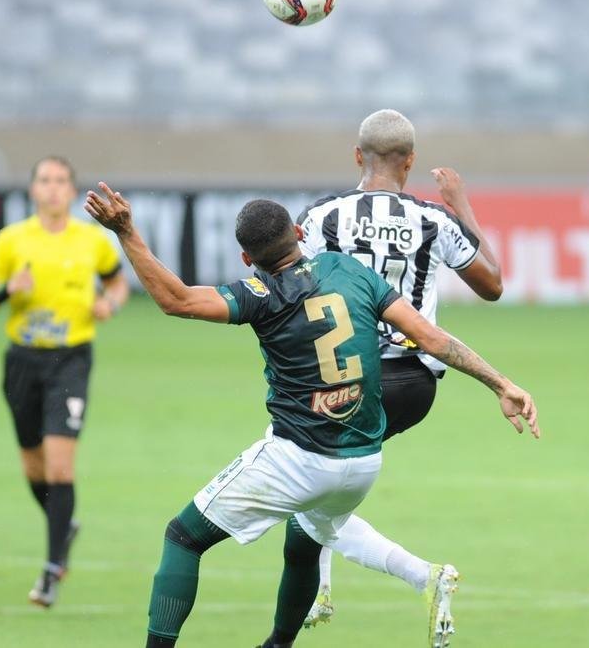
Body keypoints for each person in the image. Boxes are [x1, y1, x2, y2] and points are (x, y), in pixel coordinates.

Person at [83, 185, 538, 648]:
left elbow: (175, 299)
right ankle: (278, 644)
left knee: (183, 537)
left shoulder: (261, 294)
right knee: (304, 540)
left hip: (299, 458)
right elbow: (432, 338)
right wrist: (502, 383)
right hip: (362, 464)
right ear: (299, 233)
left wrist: (127, 231)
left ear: (246, 259)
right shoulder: (348, 269)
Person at [294, 109, 503, 637]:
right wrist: (462, 207)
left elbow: (294, 291)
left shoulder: (324, 217)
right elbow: (492, 284)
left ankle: (422, 577)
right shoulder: (434, 220)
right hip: (416, 384)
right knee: (309, 489)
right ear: (411, 162)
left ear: (357, 155)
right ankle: (317, 592)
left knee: (294, 478)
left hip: (347, 379)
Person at [0, 156, 130, 606]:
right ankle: (65, 526)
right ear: (32, 190)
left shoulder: (91, 241)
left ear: (73, 191)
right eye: (45, 180)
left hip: (71, 360)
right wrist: (7, 291)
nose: (54, 188)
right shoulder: (11, 241)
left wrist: (110, 306)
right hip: (22, 361)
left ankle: (50, 570)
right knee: (33, 468)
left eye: (62, 180)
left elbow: (117, 285)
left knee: (60, 466)